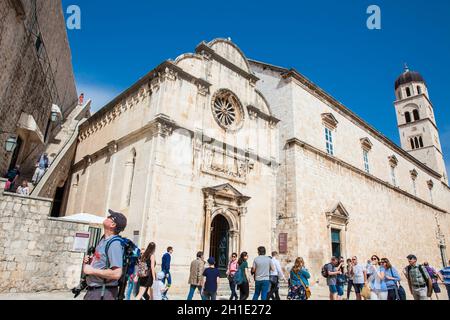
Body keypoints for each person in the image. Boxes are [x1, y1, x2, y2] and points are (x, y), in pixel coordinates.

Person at [82, 209, 127, 300]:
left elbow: (116, 273)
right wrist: (91, 261)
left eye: (110, 217)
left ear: (113, 225)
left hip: (103, 292)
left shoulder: (114, 244)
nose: (107, 217)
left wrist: (92, 270)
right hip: (95, 291)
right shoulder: (103, 240)